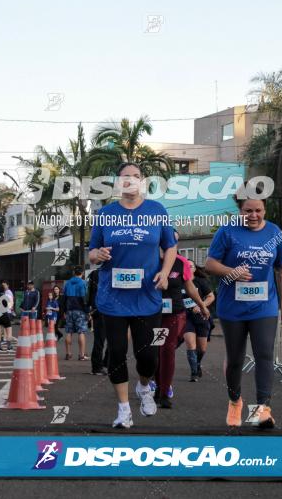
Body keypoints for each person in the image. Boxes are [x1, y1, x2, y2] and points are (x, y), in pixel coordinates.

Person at [88, 162, 177, 429]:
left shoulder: (156, 211)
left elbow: (170, 247)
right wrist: (98, 255)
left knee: (148, 356)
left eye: (135, 177)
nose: (130, 181)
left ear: (143, 181)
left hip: (147, 296)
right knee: (116, 352)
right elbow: (91, 253)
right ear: (118, 183)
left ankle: (144, 386)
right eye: (125, 177)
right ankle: (123, 409)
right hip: (112, 298)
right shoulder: (105, 214)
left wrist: (164, 272)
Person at [205, 196, 282, 429]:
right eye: (248, 210)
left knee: (264, 354)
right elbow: (210, 264)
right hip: (232, 306)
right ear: (240, 210)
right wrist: (233, 272)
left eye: (258, 210)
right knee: (235, 359)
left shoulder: (274, 232)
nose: (253, 215)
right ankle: (235, 402)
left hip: (264, 305)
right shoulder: (227, 231)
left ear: (265, 210)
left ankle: (263, 409)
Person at [155, 230, 205, 408]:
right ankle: (154, 384)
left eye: (175, 242)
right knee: (153, 353)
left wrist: (203, 305)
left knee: (167, 350)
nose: (171, 244)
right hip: (152, 315)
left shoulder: (181, 262)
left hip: (174, 313)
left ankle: (163, 393)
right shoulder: (148, 260)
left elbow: (191, 288)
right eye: (168, 241)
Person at [183, 261, 215, 382]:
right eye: (186, 266)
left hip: (201, 316)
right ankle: (194, 372)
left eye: (191, 266)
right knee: (191, 344)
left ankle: (197, 364)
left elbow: (211, 297)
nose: (188, 268)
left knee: (202, 349)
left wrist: (202, 306)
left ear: (195, 269)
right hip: (185, 317)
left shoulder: (200, 282)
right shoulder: (180, 282)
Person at [62, 266, 89, 360]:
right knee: (81, 332)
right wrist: (87, 311)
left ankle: (68, 354)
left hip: (69, 310)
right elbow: (84, 298)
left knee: (68, 332)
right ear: (82, 273)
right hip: (80, 310)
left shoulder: (67, 283)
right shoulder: (83, 283)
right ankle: (81, 355)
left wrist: (64, 310)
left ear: (74, 273)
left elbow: (64, 298)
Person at [87, 268, 108, 376]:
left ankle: (99, 365)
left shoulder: (93, 274)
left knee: (99, 339)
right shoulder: (108, 272)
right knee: (108, 339)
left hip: (97, 309)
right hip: (106, 309)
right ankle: (98, 366)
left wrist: (90, 308)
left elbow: (89, 293)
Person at [0, 280, 14, 351]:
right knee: (9, 330)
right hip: (5, 314)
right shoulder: (5, 296)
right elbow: (10, 305)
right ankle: (9, 346)